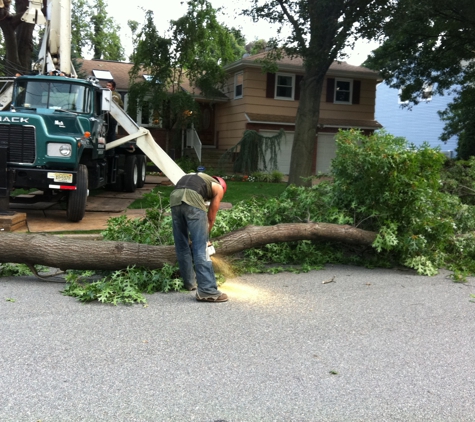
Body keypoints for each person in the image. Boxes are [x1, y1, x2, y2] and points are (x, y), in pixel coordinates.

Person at [170, 172, 228, 302]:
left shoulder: (199, 178)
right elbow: (211, 217)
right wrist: (206, 239)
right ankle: (207, 291)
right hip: (192, 197)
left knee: (182, 245)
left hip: (175, 197)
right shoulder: (218, 188)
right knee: (200, 247)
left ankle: (190, 283)